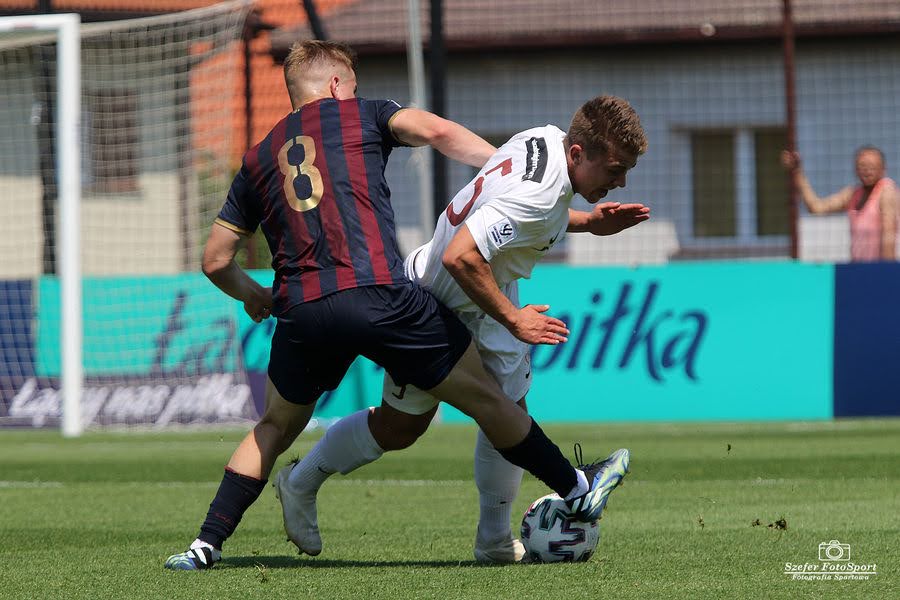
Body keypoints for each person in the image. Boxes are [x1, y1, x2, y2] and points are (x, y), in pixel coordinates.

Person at [165, 41, 628, 570]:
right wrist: (503, 166)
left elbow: (215, 260)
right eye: (353, 86)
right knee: (490, 401)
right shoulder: (362, 113)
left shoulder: (255, 159)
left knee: (275, 428)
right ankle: (575, 488)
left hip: (303, 308)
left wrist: (259, 297)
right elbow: (437, 133)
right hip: (382, 298)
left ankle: (204, 545)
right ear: (338, 86)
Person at [277, 95, 648, 563]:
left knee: (509, 409)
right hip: (435, 305)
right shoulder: (537, 192)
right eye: (614, 169)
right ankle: (300, 480)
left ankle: (494, 541)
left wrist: (588, 223)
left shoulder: (545, 140)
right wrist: (514, 320)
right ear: (578, 154)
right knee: (400, 428)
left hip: (482, 294)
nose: (620, 182)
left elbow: (517, 215)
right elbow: (461, 256)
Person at [782, 147, 898, 261]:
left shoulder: (886, 191)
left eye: (872, 167)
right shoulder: (854, 194)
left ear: (883, 169)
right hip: (860, 269)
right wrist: (797, 171)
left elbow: (888, 236)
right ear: (855, 169)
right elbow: (816, 207)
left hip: (882, 270)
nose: (867, 171)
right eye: (862, 166)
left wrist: (887, 272)